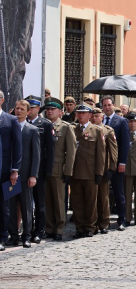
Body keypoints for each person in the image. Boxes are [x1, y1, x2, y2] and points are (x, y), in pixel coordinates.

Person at [43, 98, 76, 241]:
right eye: (48, 109)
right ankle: (49, 227)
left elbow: (71, 151)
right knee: (47, 200)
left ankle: (59, 228)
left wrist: (68, 171)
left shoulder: (65, 127)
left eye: (52, 109)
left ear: (60, 112)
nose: (49, 111)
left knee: (58, 200)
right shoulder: (43, 125)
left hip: (58, 168)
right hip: (44, 168)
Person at [7, 99, 38, 248]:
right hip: (10, 175)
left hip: (26, 175)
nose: (18, 111)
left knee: (26, 207)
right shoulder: (8, 127)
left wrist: (33, 175)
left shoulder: (31, 130)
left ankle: (27, 235)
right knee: (11, 207)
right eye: (17, 108)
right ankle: (13, 236)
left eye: (21, 109)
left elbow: (36, 155)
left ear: (28, 112)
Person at [71, 103, 105, 238]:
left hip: (90, 171)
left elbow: (101, 154)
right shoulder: (73, 129)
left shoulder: (96, 130)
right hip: (75, 171)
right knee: (77, 201)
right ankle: (79, 227)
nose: (80, 115)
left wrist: (99, 172)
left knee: (91, 201)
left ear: (90, 115)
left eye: (83, 113)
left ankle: (90, 227)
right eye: (78, 113)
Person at [25, 95, 54, 242]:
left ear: (38, 109)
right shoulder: (20, 123)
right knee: (24, 203)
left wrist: (49, 169)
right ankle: (26, 231)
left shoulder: (46, 124)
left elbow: (50, 149)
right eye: (28, 107)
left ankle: (39, 230)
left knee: (40, 203)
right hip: (24, 169)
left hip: (39, 170)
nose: (30, 110)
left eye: (32, 107)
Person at [101, 95, 130, 230]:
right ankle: (103, 219)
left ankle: (121, 219)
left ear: (113, 105)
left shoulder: (121, 121)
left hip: (116, 162)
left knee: (119, 192)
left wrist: (122, 162)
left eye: (109, 105)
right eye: (105, 105)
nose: (107, 107)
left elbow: (124, 144)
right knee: (102, 192)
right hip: (102, 163)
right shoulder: (99, 120)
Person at [90, 107, 117, 234]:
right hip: (90, 168)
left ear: (102, 117)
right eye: (93, 116)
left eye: (97, 116)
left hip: (104, 168)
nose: (94, 119)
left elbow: (113, 151)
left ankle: (104, 222)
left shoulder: (108, 131)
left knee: (103, 198)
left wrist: (111, 168)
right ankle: (93, 223)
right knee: (92, 198)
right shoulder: (88, 129)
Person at [0, 90, 21, 250]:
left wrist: (15, 169)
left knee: (4, 205)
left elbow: (17, 146)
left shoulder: (11, 120)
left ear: (2, 100)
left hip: (5, 170)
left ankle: (2, 237)